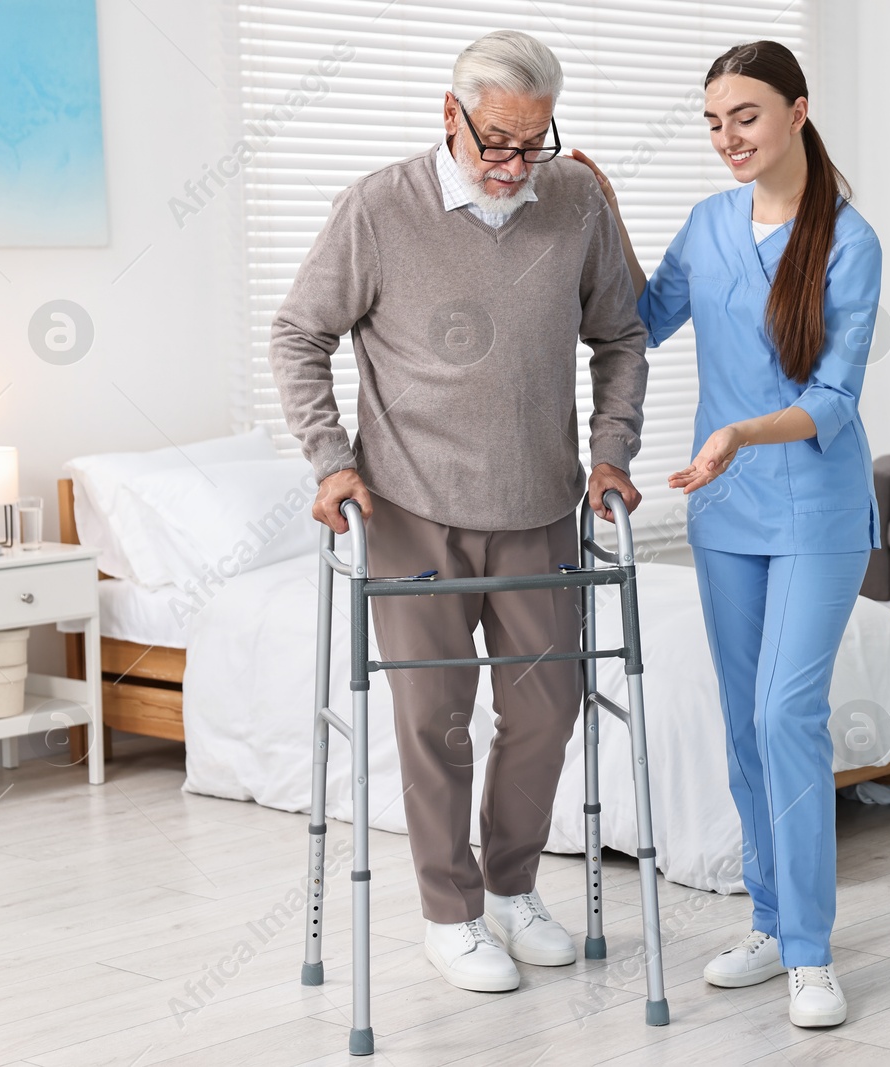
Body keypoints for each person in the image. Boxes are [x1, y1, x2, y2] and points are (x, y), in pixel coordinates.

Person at [270, 29, 648, 994]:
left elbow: (622, 332)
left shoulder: (574, 200)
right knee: (435, 719)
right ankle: (452, 911)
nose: (516, 166)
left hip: (536, 504)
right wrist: (330, 460)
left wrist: (612, 453)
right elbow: (298, 333)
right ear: (451, 116)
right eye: (497, 143)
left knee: (546, 709)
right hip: (408, 506)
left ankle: (514, 890)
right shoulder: (379, 207)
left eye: (534, 143)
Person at [574, 39, 883, 1028]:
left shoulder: (849, 240)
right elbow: (639, 318)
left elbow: (833, 398)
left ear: (798, 110)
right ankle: (766, 915)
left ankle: (810, 952)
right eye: (712, 121)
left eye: (743, 115)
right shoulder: (708, 225)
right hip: (726, 515)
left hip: (814, 508)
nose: (726, 138)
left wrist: (740, 431)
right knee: (745, 719)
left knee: (789, 712)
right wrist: (606, 210)